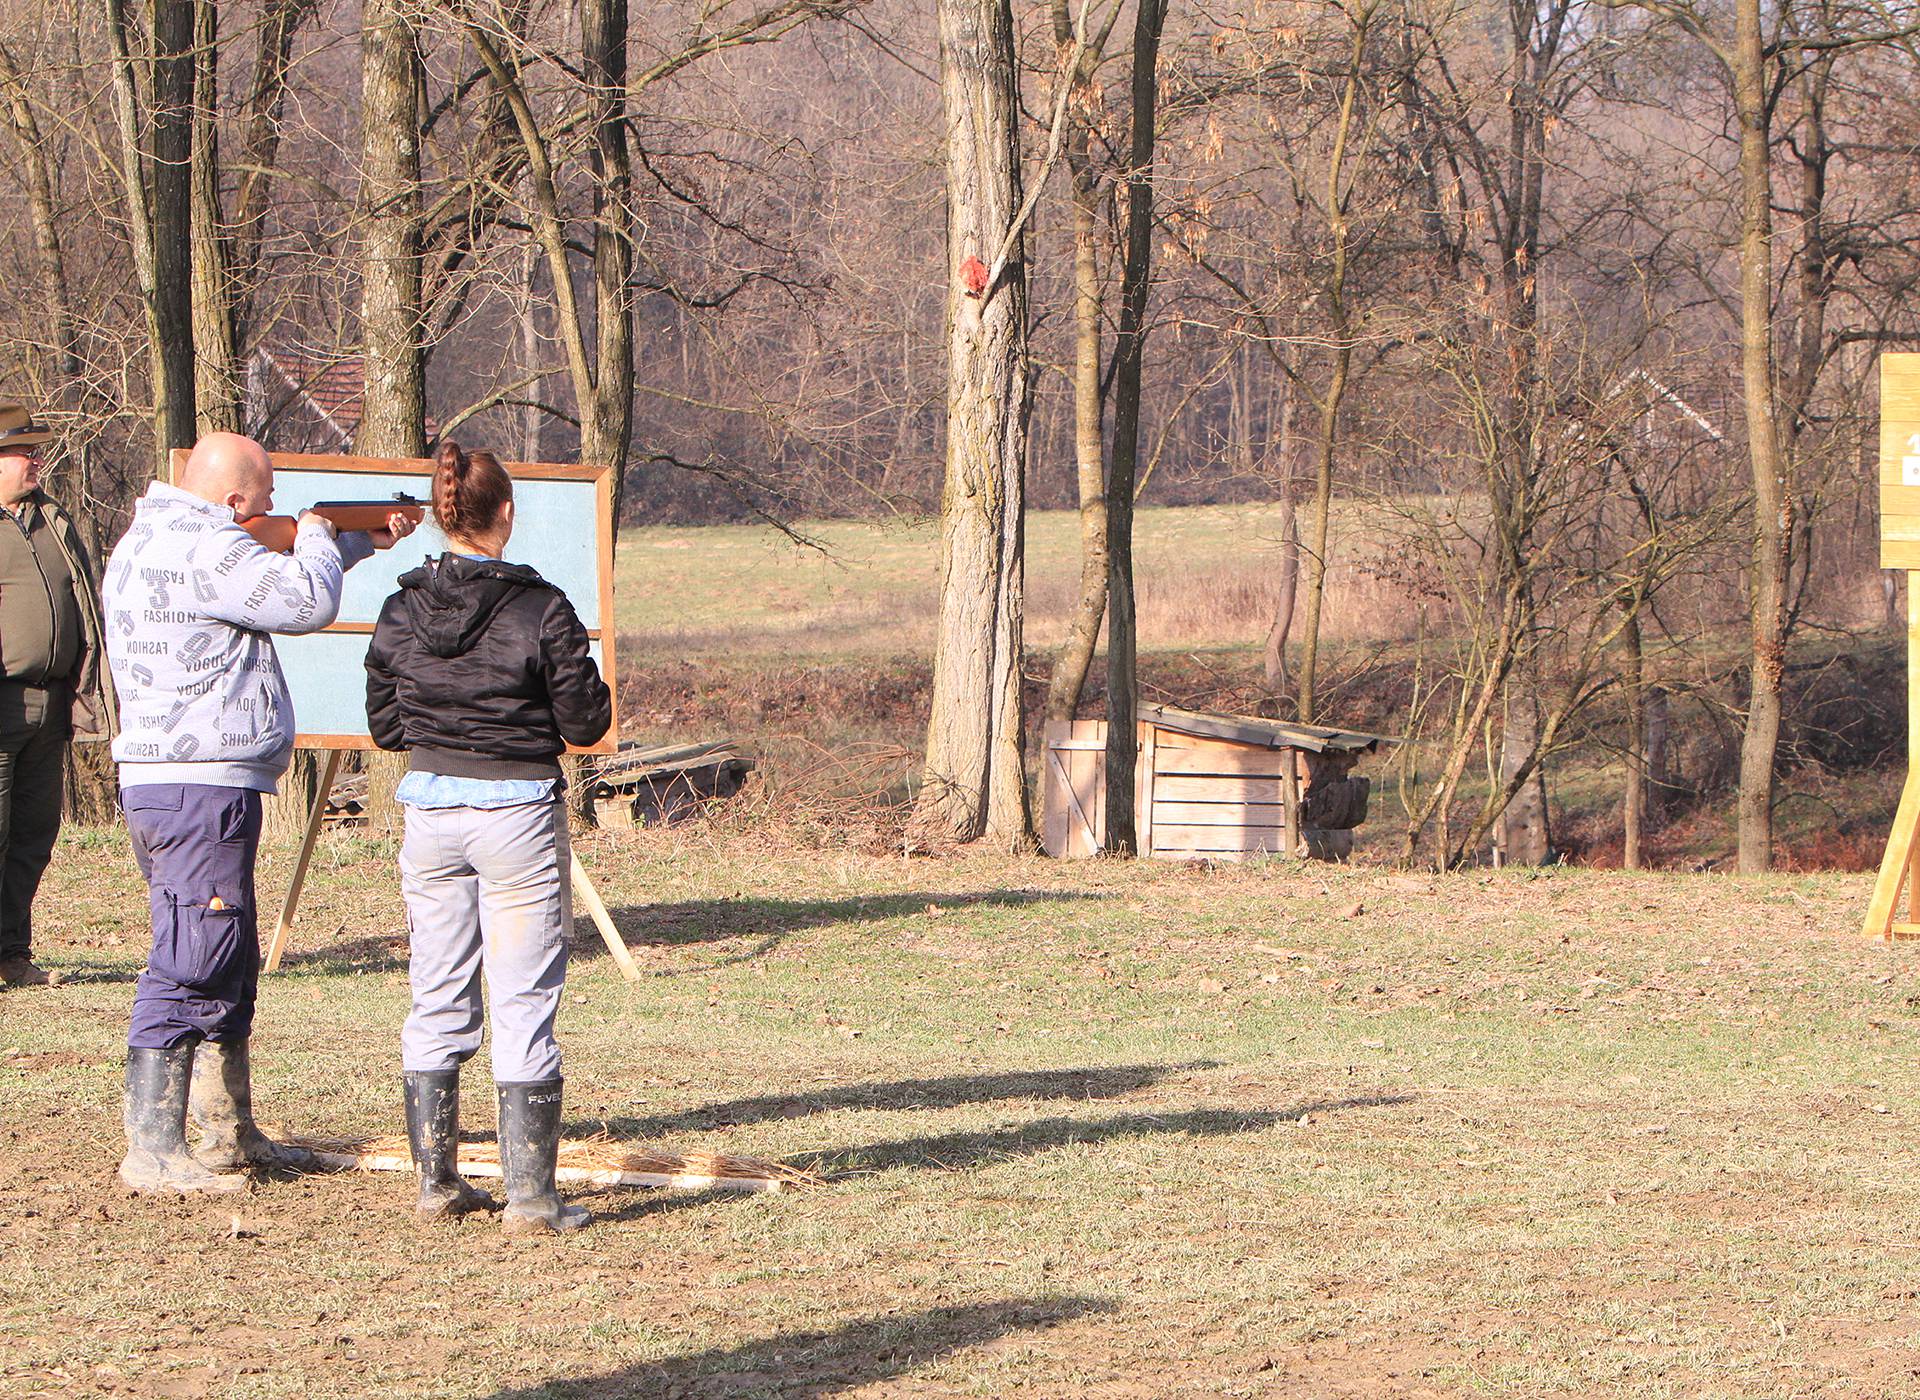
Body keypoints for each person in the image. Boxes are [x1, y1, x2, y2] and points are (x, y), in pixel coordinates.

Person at [104, 432, 415, 1194]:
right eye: (267, 501)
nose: (272, 511)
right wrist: (314, 534)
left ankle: (227, 1133)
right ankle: (154, 1150)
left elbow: (257, 584)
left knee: (224, 952)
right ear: (235, 500)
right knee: (194, 955)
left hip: (179, 782)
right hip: (198, 784)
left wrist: (353, 544)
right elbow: (301, 601)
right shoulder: (207, 547)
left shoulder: (160, 539)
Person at [365, 441, 611, 1235]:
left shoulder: (400, 607)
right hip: (516, 815)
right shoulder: (542, 609)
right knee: (523, 1000)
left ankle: (437, 1185)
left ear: (443, 516)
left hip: (431, 812)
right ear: (506, 512)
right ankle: (532, 1199)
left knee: (436, 992)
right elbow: (586, 721)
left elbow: (385, 725)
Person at [0, 403, 114, 989]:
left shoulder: (51, 519)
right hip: (2, 703)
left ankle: (11, 953)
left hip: (52, 704)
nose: (36, 459)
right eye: (24, 451)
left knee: (32, 833)